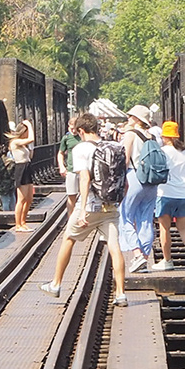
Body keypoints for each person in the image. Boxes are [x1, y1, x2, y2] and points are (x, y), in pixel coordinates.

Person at [39, 113, 130, 305]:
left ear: (81, 131)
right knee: (114, 247)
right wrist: (118, 203)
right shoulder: (114, 146)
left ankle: (56, 284)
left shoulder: (81, 148)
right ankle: (121, 293)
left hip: (89, 206)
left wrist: (81, 211)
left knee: (69, 239)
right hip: (111, 206)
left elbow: (85, 178)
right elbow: (125, 182)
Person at [118, 103, 161, 273]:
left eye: (130, 116)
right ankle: (144, 258)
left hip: (134, 178)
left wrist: (121, 181)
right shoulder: (151, 136)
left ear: (136, 120)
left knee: (125, 216)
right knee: (145, 220)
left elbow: (125, 160)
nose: (128, 119)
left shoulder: (130, 134)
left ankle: (137, 255)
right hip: (152, 182)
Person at [153, 120, 185, 270]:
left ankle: (167, 261)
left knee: (164, 228)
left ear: (165, 137)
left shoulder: (162, 152)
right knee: (182, 228)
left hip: (165, 193)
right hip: (183, 194)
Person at [7, 119, 37, 231]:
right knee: (21, 198)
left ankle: (23, 222)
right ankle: (18, 224)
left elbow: (30, 154)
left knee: (29, 198)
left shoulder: (23, 144)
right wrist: (29, 125)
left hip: (27, 167)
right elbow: (31, 139)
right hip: (21, 169)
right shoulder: (15, 142)